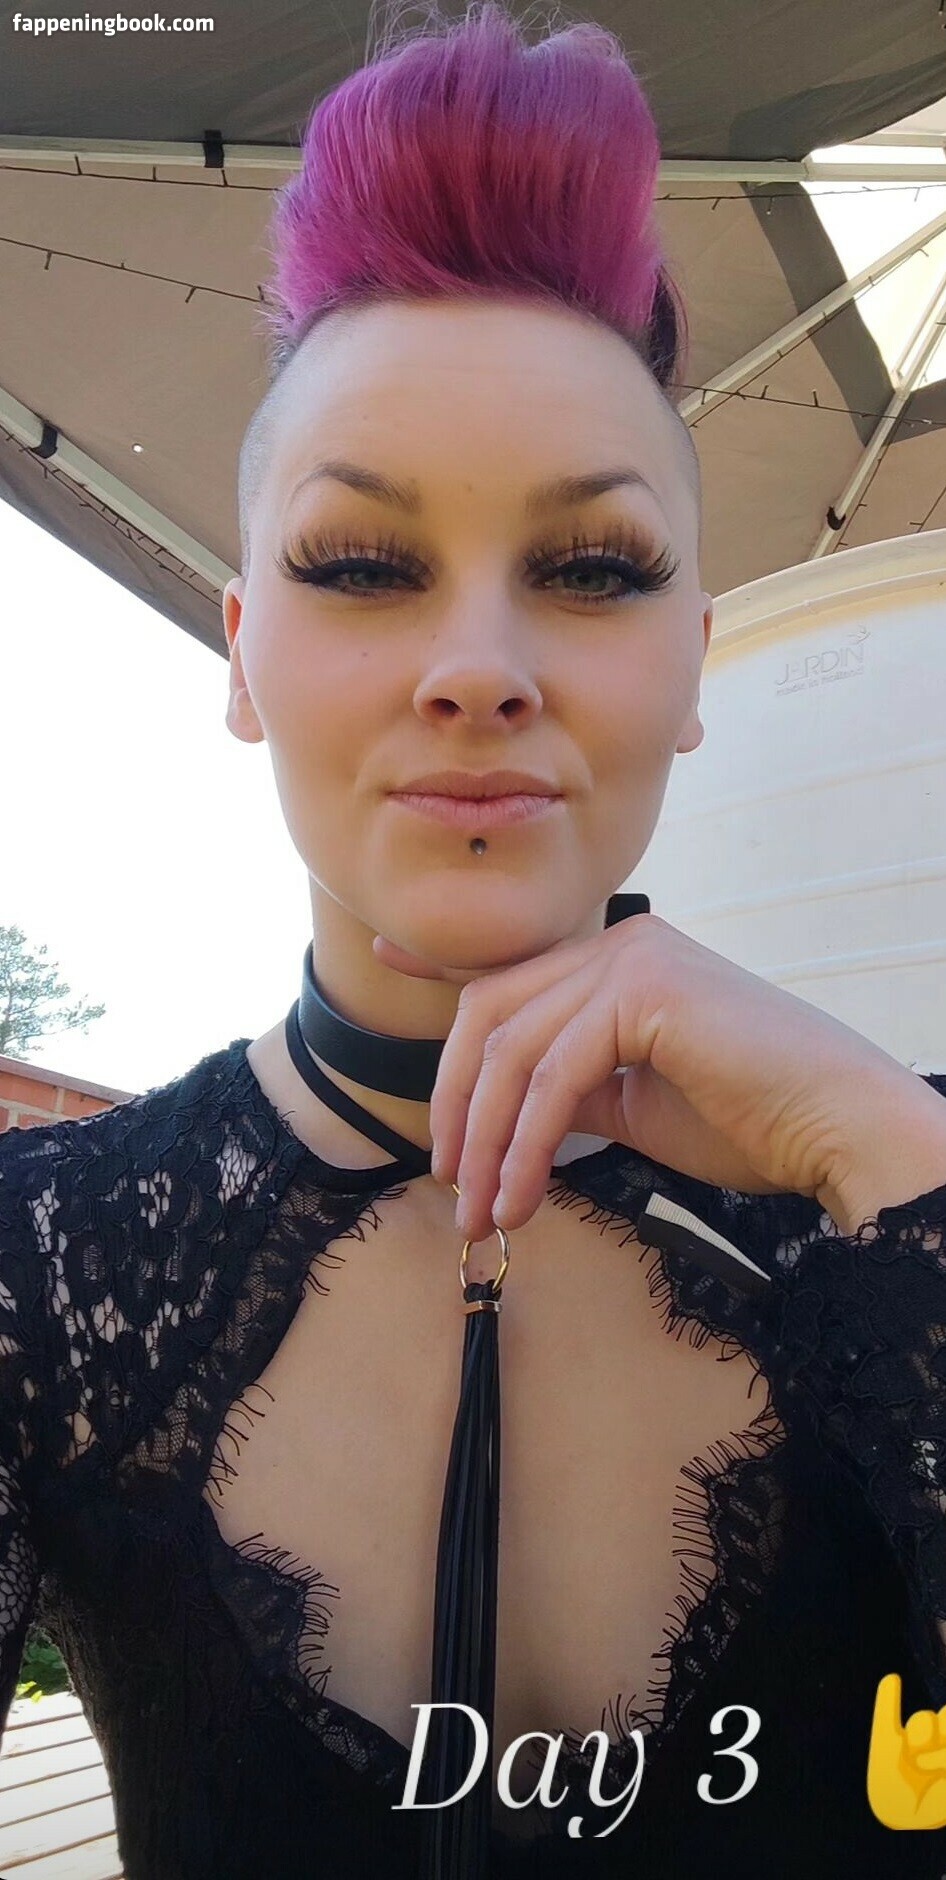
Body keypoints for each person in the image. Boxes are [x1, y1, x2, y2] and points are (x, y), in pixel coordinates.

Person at [2, 3, 946, 1876]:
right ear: (243, 657)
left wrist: (891, 1152)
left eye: (592, 569)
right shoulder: (48, 1260)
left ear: (693, 665)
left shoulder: (896, 1192)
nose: (478, 669)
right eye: (362, 565)